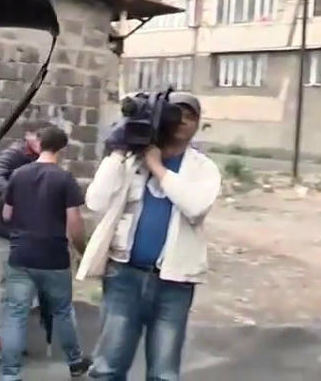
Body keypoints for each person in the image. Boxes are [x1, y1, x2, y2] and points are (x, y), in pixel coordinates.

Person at [79, 92, 221, 380]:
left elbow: (195, 207)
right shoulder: (131, 160)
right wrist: (119, 149)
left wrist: (157, 166)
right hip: (124, 275)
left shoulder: (203, 168)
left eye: (191, 116)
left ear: (198, 124)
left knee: (164, 373)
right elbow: (95, 201)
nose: (183, 120)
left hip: (175, 282)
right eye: (176, 113)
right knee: (107, 368)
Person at [0, 125, 91, 379]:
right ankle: (75, 362)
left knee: (15, 313)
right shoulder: (65, 179)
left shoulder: (18, 175)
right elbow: (74, 223)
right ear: (62, 149)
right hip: (53, 256)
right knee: (62, 310)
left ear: (39, 144)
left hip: (21, 255)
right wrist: (82, 250)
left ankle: (9, 374)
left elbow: (7, 214)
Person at [0, 120, 50, 340]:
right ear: (27, 136)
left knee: (26, 283)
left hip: (29, 229)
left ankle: (11, 330)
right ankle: (3, 333)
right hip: (6, 228)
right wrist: (17, 195)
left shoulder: (44, 158)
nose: (40, 142)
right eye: (37, 136)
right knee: (9, 282)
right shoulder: (13, 154)